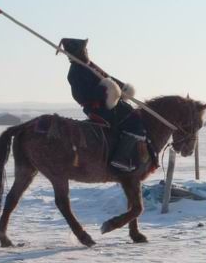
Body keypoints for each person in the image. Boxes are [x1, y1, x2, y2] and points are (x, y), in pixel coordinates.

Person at [58, 38, 147, 172]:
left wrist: (121, 88)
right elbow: (81, 96)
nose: (86, 51)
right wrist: (106, 90)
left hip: (109, 104)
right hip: (97, 108)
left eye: (86, 50)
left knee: (135, 114)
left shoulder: (89, 65)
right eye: (84, 50)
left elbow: (107, 77)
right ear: (77, 53)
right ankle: (120, 158)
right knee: (134, 123)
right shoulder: (75, 72)